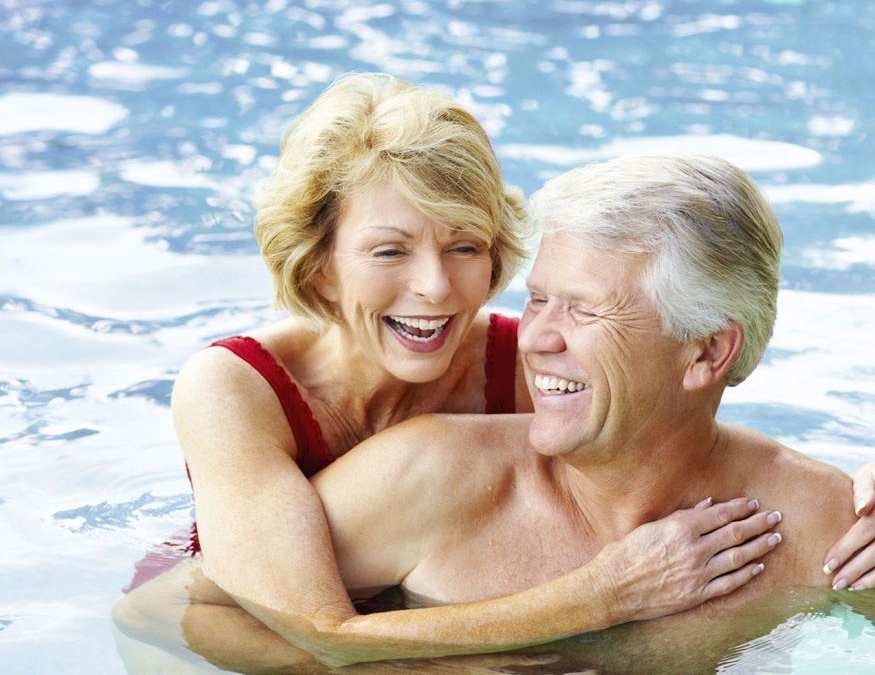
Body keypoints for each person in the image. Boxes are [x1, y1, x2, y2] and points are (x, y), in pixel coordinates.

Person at [115, 151, 875, 672]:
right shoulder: (429, 475)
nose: (533, 339)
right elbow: (158, 615)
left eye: (581, 310)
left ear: (706, 354)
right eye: (537, 299)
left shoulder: (819, 532)